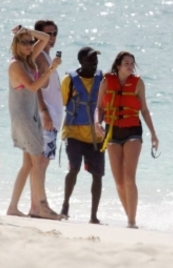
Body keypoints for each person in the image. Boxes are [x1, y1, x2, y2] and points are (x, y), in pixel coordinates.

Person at [94, 51, 159, 228]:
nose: (130, 66)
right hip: (112, 131)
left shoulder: (138, 83)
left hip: (133, 131)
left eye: (132, 63)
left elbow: (144, 110)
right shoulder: (107, 81)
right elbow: (99, 107)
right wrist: (96, 124)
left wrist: (153, 133)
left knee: (129, 177)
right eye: (126, 63)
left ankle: (132, 221)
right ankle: (129, 217)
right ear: (118, 66)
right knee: (119, 181)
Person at [6, 24, 61, 220]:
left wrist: (27, 30)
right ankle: (42, 207)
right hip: (23, 118)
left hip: (31, 116)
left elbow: (45, 38)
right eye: (25, 43)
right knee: (37, 160)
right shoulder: (16, 64)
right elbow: (32, 87)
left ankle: (12, 207)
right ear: (16, 45)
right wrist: (52, 69)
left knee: (28, 164)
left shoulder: (28, 60)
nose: (30, 46)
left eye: (30, 42)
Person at [60, 46, 105, 224]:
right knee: (74, 169)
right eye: (90, 60)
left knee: (97, 175)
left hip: (97, 136)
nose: (94, 64)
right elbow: (63, 102)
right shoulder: (68, 81)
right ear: (81, 62)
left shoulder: (102, 80)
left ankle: (93, 215)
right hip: (74, 133)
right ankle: (65, 205)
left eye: (95, 60)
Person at [34, 20, 63, 170]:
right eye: (48, 34)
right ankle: (38, 195)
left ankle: (35, 194)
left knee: (38, 165)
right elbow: (35, 87)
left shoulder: (46, 57)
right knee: (40, 164)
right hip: (46, 119)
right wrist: (44, 111)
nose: (52, 37)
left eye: (54, 34)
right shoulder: (39, 57)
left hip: (51, 119)